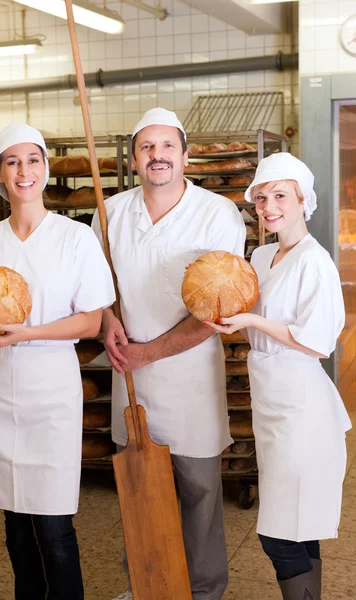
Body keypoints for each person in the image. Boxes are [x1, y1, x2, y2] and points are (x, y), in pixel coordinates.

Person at [91, 108, 246, 600]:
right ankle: (146, 586)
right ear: (135, 158)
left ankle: (203, 592)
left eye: (166, 147)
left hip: (190, 379)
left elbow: (217, 310)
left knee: (200, 493)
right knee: (140, 489)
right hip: (129, 376)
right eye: (147, 147)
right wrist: (109, 324)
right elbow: (98, 287)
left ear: (185, 154)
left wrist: (148, 352)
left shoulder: (217, 213)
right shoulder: (109, 211)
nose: (157, 155)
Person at [0, 124, 116, 600]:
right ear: (0, 175)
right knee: (14, 525)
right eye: (12, 161)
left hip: (49, 391)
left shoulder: (75, 237)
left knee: (52, 526)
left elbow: (91, 322)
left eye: (32, 160)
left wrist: (29, 334)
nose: (23, 170)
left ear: (46, 169)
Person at [205, 153, 352, 600]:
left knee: (278, 533)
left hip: (303, 408)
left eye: (280, 196)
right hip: (270, 403)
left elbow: (317, 342)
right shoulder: (264, 253)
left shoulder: (316, 261)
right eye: (262, 197)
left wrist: (250, 321)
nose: (269, 206)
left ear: (303, 200)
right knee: (298, 525)